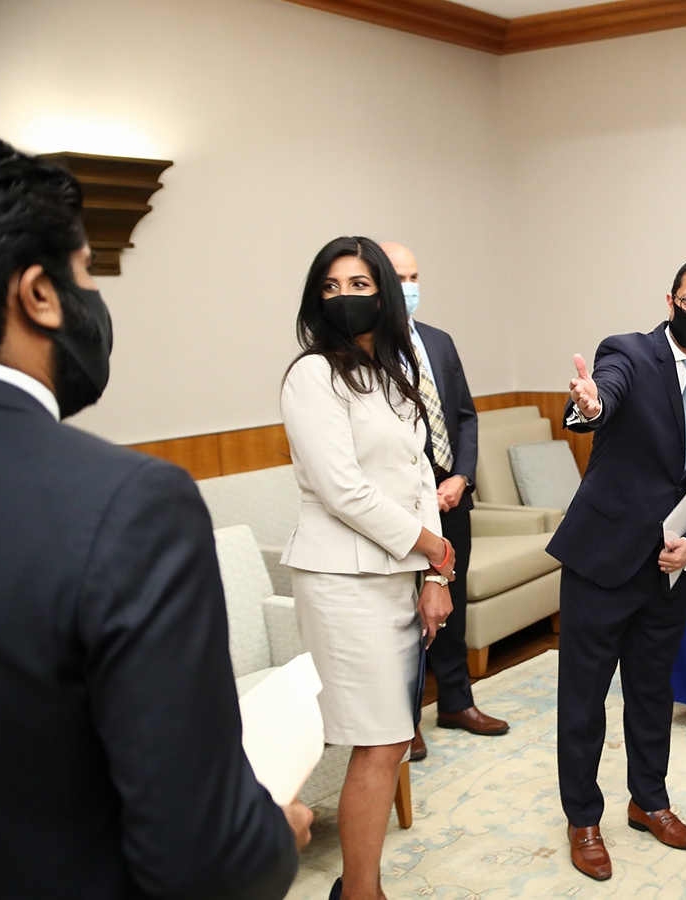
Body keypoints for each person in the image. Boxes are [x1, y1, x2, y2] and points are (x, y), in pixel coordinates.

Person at [0, 138, 311, 898]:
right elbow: (201, 858)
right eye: (87, 274)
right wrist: (274, 835)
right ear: (38, 294)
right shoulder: (128, 504)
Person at [547, 258, 686, 881]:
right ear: (670, 299)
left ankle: (648, 801)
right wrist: (590, 403)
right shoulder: (627, 352)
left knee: (653, 694)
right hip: (602, 560)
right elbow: (604, 394)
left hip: (669, 568)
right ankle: (582, 818)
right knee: (584, 698)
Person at [279, 236, 454, 900]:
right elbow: (342, 490)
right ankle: (360, 892)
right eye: (331, 287)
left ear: (382, 292)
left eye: (359, 285)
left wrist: (434, 576)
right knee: (379, 740)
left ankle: (359, 888)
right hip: (340, 581)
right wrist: (432, 550)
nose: (345, 297)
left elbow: (418, 477)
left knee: (390, 740)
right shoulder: (312, 375)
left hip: (396, 576)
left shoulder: (394, 374)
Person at [379, 241, 508, 760]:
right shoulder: (367, 351)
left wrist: (463, 476)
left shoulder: (439, 340)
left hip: (452, 496)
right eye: (399, 277)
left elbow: (465, 416)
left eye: (415, 276)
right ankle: (403, 720)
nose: (410, 287)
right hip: (400, 507)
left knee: (447, 607)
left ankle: (456, 701)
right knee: (405, 614)